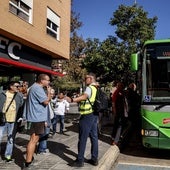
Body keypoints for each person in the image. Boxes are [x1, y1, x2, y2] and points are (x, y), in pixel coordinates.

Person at [69, 73, 99, 167]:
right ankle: (94, 159)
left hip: (87, 115)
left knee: (82, 138)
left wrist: (72, 100)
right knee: (94, 137)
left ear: (91, 79)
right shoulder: (96, 88)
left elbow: (85, 97)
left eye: (86, 78)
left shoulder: (89, 88)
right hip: (94, 114)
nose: (84, 80)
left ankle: (80, 160)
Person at [22, 74, 51, 169]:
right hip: (36, 118)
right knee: (33, 140)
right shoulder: (38, 88)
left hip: (35, 117)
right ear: (42, 80)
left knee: (34, 140)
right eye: (47, 80)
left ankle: (29, 158)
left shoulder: (33, 87)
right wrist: (49, 92)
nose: (48, 82)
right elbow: (46, 102)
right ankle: (28, 163)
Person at [0, 81, 24, 162]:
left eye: (19, 86)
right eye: (16, 86)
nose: (18, 88)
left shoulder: (19, 95)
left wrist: (20, 117)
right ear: (11, 86)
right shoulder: (2, 94)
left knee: (10, 139)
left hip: (13, 120)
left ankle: (8, 155)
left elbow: (21, 106)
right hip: (2, 119)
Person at [37, 88, 55, 154]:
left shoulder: (50, 101)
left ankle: (42, 147)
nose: (52, 95)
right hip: (45, 120)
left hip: (49, 119)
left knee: (46, 134)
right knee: (44, 135)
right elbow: (43, 111)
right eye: (50, 93)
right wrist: (44, 120)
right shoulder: (45, 102)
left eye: (53, 94)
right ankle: (42, 149)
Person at [111, 82, 128, 146]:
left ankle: (113, 136)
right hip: (120, 112)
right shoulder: (117, 92)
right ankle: (116, 140)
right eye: (120, 86)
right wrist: (115, 111)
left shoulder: (122, 92)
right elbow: (113, 102)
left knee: (116, 124)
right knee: (120, 126)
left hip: (121, 112)